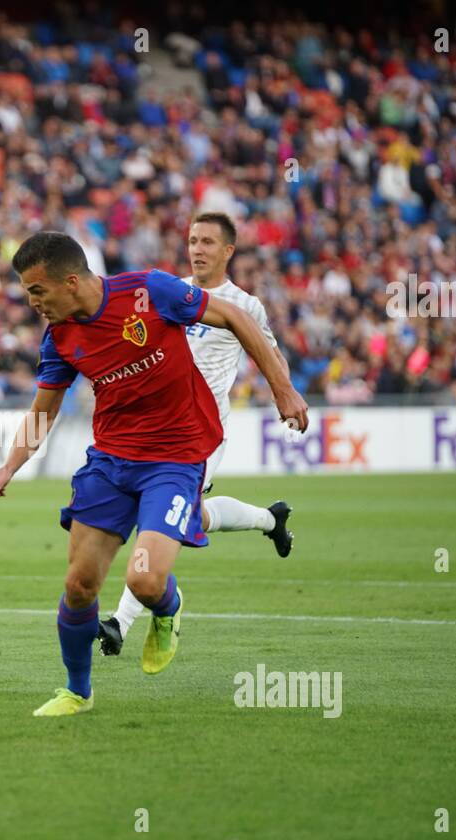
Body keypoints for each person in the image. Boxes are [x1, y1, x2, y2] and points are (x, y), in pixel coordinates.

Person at [0, 232, 308, 717]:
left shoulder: (150, 291)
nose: (32, 303)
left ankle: (168, 610)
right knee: (79, 586)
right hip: (111, 462)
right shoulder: (60, 337)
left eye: (36, 291)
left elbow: (236, 317)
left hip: (175, 458)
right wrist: (9, 467)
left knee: (146, 582)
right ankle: (77, 691)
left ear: (70, 282)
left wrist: (283, 389)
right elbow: (43, 411)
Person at [100, 212, 296, 654]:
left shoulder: (243, 306)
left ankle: (120, 621)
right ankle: (270, 519)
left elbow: (269, 353)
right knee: (191, 516)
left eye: (208, 242)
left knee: (161, 519)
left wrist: (287, 394)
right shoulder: (170, 293)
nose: (198, 249)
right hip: (153, 426)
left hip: (200, 434)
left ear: (228, 251)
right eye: (192, 240)